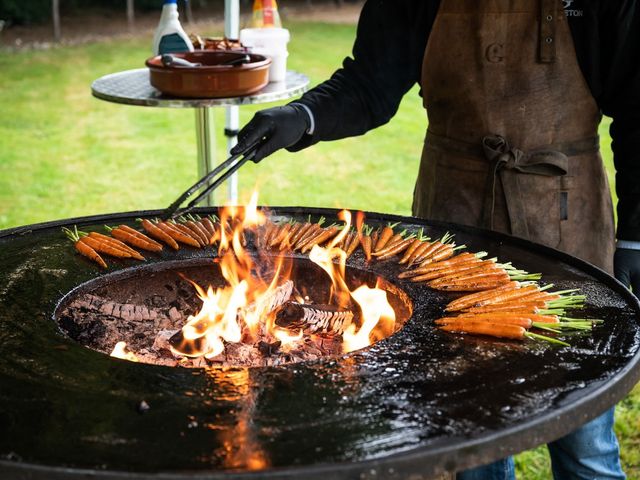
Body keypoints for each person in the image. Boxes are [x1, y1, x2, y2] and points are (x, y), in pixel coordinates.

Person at [232, 1, 640, 478]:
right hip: (452, 221)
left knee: (583, 434)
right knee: (467, 418)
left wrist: (635, 235)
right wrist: (303, 116)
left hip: (566, 219)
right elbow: (370, 84)